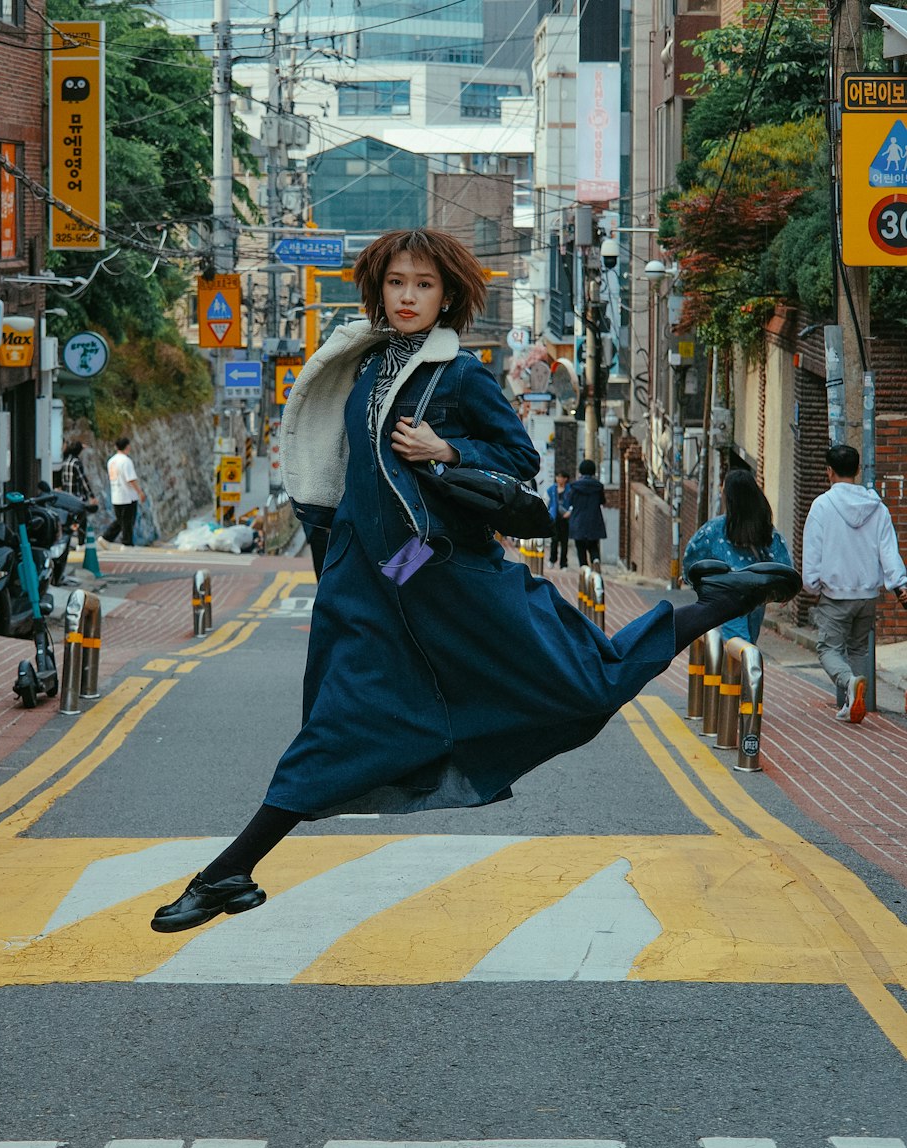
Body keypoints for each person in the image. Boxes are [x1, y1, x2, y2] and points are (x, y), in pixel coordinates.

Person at [151, 228, 801, 934]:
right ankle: (229, 870)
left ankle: (723, 598)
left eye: (424, 285)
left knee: (587, 681)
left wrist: (447, 447)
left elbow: (519, 455)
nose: (408, 296)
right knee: (337, 726)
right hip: (372, 581)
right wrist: (348, 567)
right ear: (377, 287)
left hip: (444, 572)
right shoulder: (367, 367)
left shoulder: (458, 375)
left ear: (448, 296)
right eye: (397, 282)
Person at [801, 443, 907, 723]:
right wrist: (899, 583)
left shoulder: (822, 506)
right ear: (858, 470)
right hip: (867, 594)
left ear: (829, 472)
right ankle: (853, 707)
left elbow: (812, 551)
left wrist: (811, 586)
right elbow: (888, 551)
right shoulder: (877, 507)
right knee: (859, 648)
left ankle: (849, 683)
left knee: (828, 649)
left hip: (835, 594)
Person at [682, 468, 793, 644]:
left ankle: (739, 670)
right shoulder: (765, 528)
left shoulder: (715, 529)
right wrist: (784, 591)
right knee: (748, 644)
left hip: (727, 594)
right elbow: (783, 564)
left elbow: (691, 558)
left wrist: (692, 581)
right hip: (756, 596)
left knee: (736, 644)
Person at [103, 435, 145, 546]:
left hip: (116, 494)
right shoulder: (126, 461)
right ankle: (125, 543)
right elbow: (131, 479)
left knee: (121, 521)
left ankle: (107, 539)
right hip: (128, 496)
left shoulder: (111, 461)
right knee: (128, 521)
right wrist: (140, 492)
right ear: (127, 446)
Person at [568, 459, 607, 568]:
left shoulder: (575, 487)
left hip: (578, 521)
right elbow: (602, 501)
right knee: (593, 546)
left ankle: (584, 568)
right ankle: (595, 560)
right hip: (594, 520)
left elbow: (570, 501)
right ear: (593, 471)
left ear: (580, 471)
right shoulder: (598, 486)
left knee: (581, 549)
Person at [546, 469, 571, 569]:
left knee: (564, 542)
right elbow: (546, 501)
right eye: (557, 477)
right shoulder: (552, 489)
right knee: (554, 540)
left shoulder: (570, 490)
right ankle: (552, 559)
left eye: (561, 477)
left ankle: (563, 563)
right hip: (554, 518)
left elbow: (573, 503)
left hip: (566, 518)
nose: (558, 479)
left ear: (565, 479)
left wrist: (570, 512)